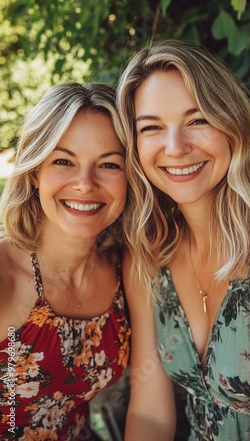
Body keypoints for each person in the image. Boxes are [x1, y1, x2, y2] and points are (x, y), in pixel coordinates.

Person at [116, 40, 250, 440]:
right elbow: (151, 413)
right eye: (151, 127)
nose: (176, 148)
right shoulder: (148, 255)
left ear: (233, 124)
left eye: (198, 119)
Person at [0, 82, 131, 440]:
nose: (85, 184)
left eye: (108, 164)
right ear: (34, 171)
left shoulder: (125, 268)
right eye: (63, 161)